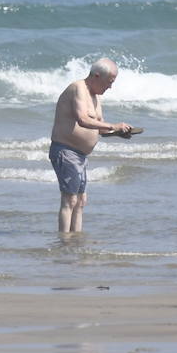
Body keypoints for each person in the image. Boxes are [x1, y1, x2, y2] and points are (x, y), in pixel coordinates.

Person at [49, 58, 133, 233]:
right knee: (70, 200)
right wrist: (113, 125)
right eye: (109, 82)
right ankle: (64, 241)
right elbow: (83, 119)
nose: (110, 87)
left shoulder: (95, 97)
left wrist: (119, 133)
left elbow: (100, 129)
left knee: (80, 201)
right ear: (96, 76)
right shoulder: (78, 88)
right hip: (65, 150)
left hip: (80, 155)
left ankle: (75, 239)